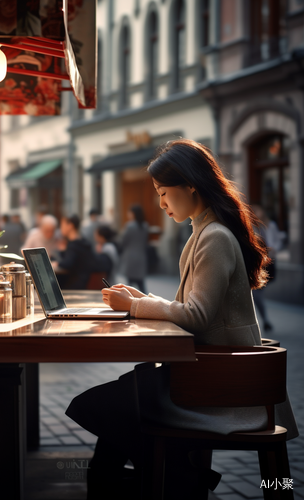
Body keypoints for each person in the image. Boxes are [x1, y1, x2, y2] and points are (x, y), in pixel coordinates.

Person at [65, 139, 298, 499]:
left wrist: (133, 307)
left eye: (162, 192)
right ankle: (169, 477)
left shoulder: (214, 236)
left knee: (107, 404)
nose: (160, 203)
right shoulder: (203, 232)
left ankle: (169, 478)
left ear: (190, 184)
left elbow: (197, 315)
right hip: (212, 372)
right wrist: (141, 299)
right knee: (121, 398)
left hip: (221, 382)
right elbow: (192, 307)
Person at [52, 214, 110, 289]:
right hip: (85, 281)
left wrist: (56, 263)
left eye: (62, 225)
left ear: (70, 226)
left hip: (76, 284)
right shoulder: (83, 241)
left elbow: (67, 263)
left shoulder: (74, 245)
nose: (61, 228)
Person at [251, 205, 282, 332]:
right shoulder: (252, 226)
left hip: (269, 263)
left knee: (256, 294)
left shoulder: (271, 225)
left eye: (257, 209)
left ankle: (262, 321)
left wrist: (274, 248)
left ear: (263, 211)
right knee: (256, 294)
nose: (255, 212)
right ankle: (264, 321)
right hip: (257, 264)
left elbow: (278, 240)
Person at [118, 204, 149, 294]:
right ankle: (146, 301)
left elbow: (123, 241)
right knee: (141, 283)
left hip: (130, 257)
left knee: (130, 285)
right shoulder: (145, 226)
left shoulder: (130, 226)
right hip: (141, 257)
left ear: (133, 214)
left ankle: (131, 303)